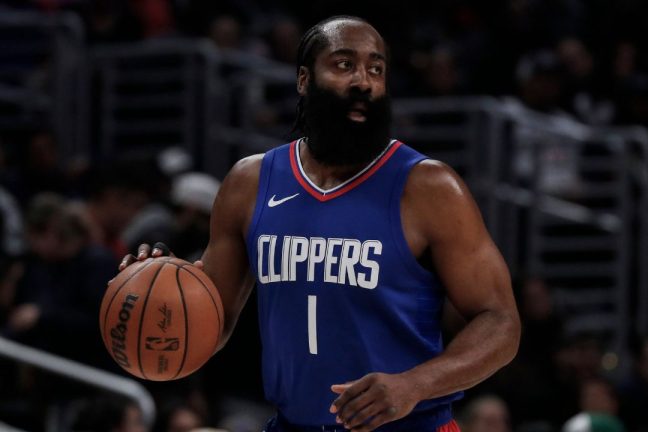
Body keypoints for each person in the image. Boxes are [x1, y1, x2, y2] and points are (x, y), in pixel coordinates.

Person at [120, 15, 520, 432]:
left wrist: (415, 384)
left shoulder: (429, 187)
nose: (364, 81)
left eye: (376, 69)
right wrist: (157, 293)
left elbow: (501, 322)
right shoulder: (249, 183)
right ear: (304, 80)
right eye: (344, 64)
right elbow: (208, 327)